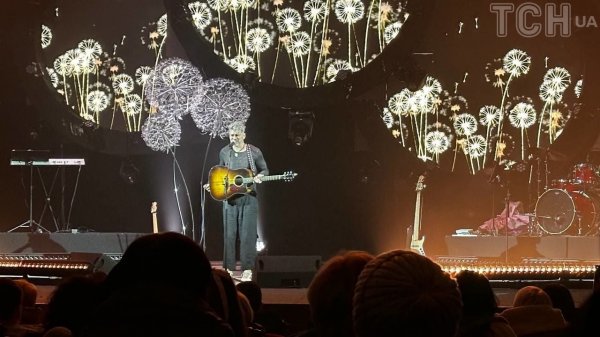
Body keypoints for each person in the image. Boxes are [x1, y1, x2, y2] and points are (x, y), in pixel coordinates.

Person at [204, 121, 269, 282]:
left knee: (247, 235)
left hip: (249, 198)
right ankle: (229, 269)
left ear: (244, 135)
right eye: (232, 135)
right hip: (230, 200)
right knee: (229, 234)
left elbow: (265, 169)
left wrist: (260, 176)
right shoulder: (225, 152)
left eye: (237, 135)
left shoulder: (253, 152)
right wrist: (213, 185)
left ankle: (247, 269)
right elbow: (219, 172)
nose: (234, 138)